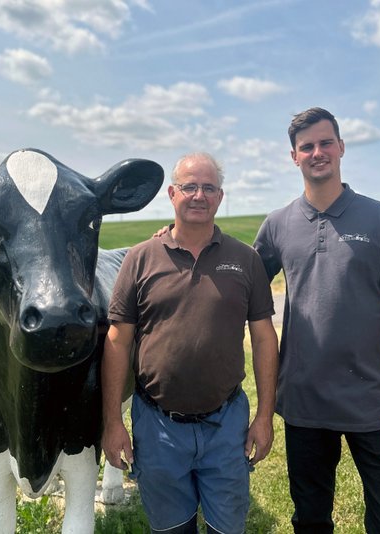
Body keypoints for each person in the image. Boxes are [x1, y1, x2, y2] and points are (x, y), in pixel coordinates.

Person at [253, 107, 380, 533]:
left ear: (342, 147)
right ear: (294, 156)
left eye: (326, 142)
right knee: (310, 520)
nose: (317, 152)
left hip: (372, 403)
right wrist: (179, 237)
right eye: (306, 146)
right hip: (304, 403)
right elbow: (239, 283)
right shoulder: (277, 225)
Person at [101, 152, 280, 534]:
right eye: (190, 187)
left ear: (220, 197)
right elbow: (118, 340)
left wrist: (265, 416)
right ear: (172, 194)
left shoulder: (245, 260)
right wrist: (113, 421)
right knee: (171, 529)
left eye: (209, 188)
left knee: (227, 528)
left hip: (226, 424)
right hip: (158, 426)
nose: (199, 195)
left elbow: (265, 338)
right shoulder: (140, 259)